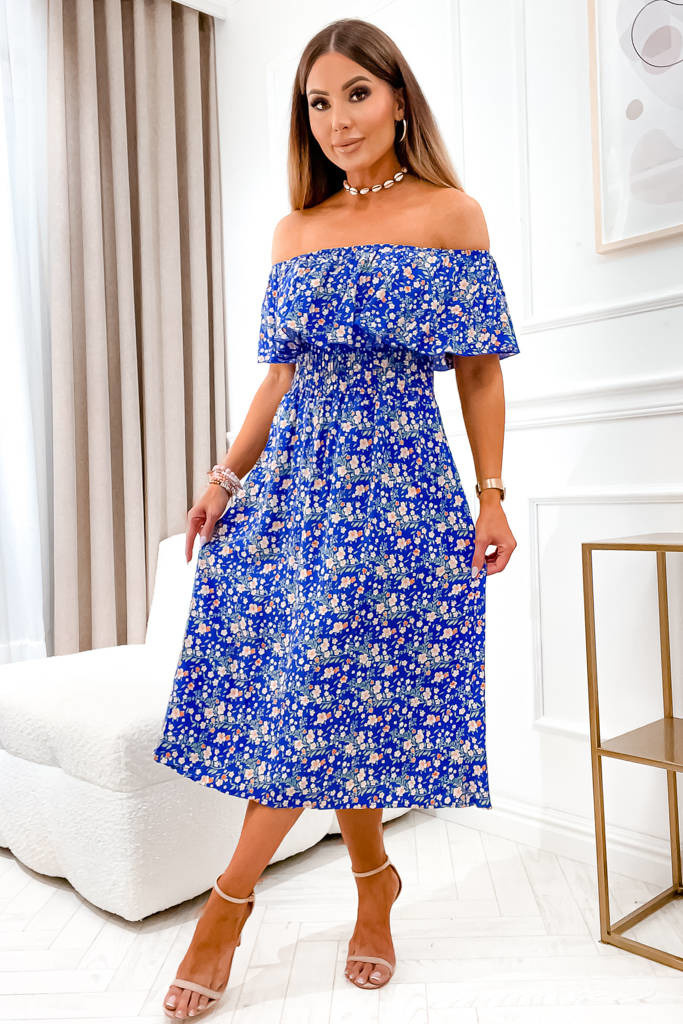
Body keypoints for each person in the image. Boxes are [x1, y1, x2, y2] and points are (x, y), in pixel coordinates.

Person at [154, 16, 520, 1021]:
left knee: (323, 680)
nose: (337, 119)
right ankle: (373, 885)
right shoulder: (295, 230)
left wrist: (491, 493)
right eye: (318, 102)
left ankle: (225, 909)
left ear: (397, 99)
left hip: (395, 488)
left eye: (356, 94)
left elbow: (478, 370)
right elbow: (279, 377)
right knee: (328, 690)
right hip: (293, 493)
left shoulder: (450, 215)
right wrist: (223, 478)